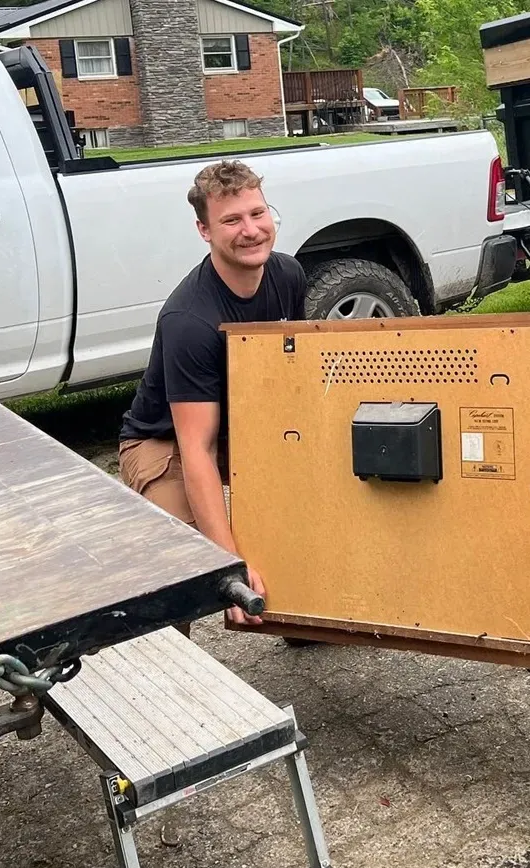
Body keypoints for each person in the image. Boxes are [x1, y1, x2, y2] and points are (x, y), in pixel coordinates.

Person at [118, 159, 306, 627]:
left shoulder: (289, 276)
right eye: (231, 220)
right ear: (204, 230)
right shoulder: (189, 320)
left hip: (241, 426)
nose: (251, 231)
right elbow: (196, 449)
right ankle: (167, 668)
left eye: (257, 214)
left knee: (311, 495)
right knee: (184, 568)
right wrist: (229, 571)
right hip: (163, 444)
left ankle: (304, 615)